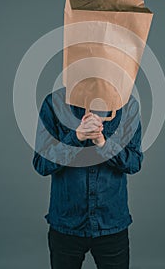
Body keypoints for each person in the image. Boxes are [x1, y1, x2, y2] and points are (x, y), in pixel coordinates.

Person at [32, 86, 143, 269]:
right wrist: (76, 137)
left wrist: (103, 144)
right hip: (67, 223)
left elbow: (134, 163)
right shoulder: (54, 103)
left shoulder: (127, 104)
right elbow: (41, 164)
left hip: (112, 222)